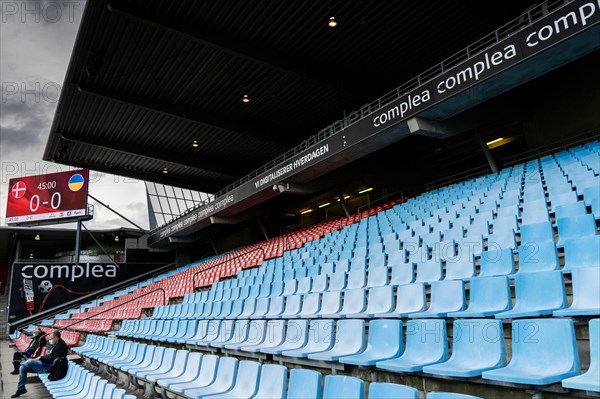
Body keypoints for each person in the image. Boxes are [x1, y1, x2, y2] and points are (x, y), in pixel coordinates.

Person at [12, 330, 68, 398]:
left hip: (49, 367)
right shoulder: (57, 343)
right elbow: (49, 356)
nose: (50, 340)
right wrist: (41, 357)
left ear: (56, 338)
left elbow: (52, 360)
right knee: (22, 368)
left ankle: (20, 363)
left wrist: (41, 358)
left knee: (30, 362)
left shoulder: (61, 346)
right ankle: (21, 389)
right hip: (46, 363)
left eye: (51, 338)